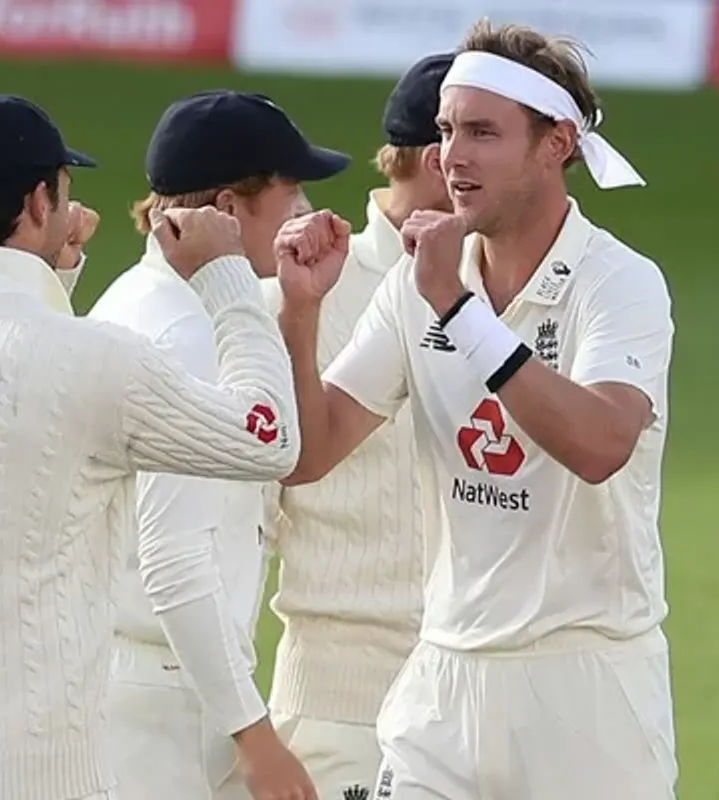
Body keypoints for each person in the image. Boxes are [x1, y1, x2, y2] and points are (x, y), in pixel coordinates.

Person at [0, 94, 304, 800]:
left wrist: (55, 280)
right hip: (34, 779)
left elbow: (4, 406)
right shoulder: (95, 361)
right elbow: (270, 439)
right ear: (39, 201)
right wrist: (227, 276)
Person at [275, 20, 676, 800]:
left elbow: (600, 444)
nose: (451, 157)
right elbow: (309, 452)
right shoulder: (422, 280)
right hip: (443, 682)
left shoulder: (618, 284)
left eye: (483, 133)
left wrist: (459, 311)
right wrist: (298, 315)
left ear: (556, 142)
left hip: (587, 690)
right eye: (447, 130)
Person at [87, 89, 348, 800]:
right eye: (289, 193)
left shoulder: (131, 300)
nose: (300, 214)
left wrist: (298, 307)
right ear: (229, 211)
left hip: (133, 685)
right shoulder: (188, 337)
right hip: (169, 704)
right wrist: (255, 737)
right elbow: (175, 562)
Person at [258, 54, 454, 800]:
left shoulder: (500, 286)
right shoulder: (302, 288)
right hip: (344, 710)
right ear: (443, 160)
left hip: (478, 694)